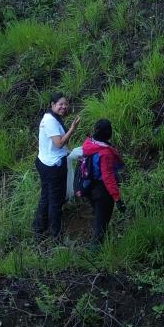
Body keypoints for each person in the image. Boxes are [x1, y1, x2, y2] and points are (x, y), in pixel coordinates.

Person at [34, 93, 79, 240]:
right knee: (55, 200)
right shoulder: (50, 121)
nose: (64, 107)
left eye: (65, 104)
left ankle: (39, 228)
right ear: (52, 104)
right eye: (60, 104)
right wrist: (72, 129)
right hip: (53, 166)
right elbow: (59, 143)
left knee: (46, 196)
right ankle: (55, 234)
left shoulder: (51, 118)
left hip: (45, 162)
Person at [79, 119, 124, 245]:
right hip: (102, 191)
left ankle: (102, 244)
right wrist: (118, 199)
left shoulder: (89, 143)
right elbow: (108, 178)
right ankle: (94, 254)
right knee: (101, 225)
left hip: (89, 188)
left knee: (100, 220)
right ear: (108, 132)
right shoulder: (105, 153)